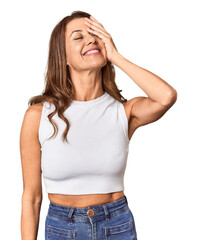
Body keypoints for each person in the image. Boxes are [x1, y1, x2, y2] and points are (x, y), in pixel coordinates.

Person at [20, 10, 177, 240]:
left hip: (117, 226)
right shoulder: (38, 116)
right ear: (62, 56)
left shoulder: (124, 112)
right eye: (78, 36)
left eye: (95, 34)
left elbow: (166, 96)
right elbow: (31, 197)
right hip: (63, 228)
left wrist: (116, 56)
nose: (91, 39)